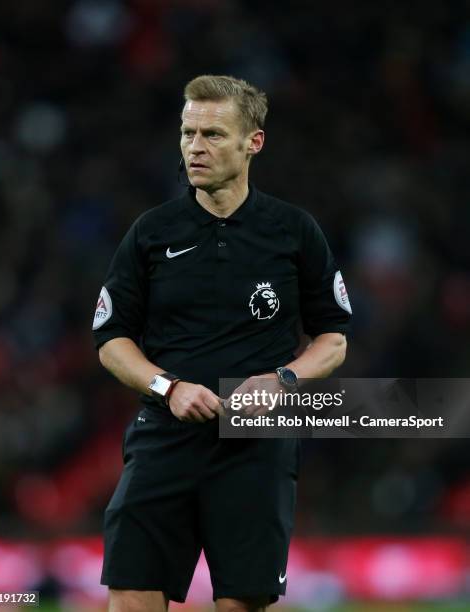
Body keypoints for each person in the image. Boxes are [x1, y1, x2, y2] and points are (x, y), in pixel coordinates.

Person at [92, 75, 352, 612]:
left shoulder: (292, 231)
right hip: (165, 436)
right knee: (131, 595)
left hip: (255, 442)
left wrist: (283, 381)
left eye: (211, 134)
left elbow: (333, 339)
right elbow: (111, 339)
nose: (194, 147)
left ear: (252, 142)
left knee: (241, 602)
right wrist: (168, 387)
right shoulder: (151, 232)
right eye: (188, 133)